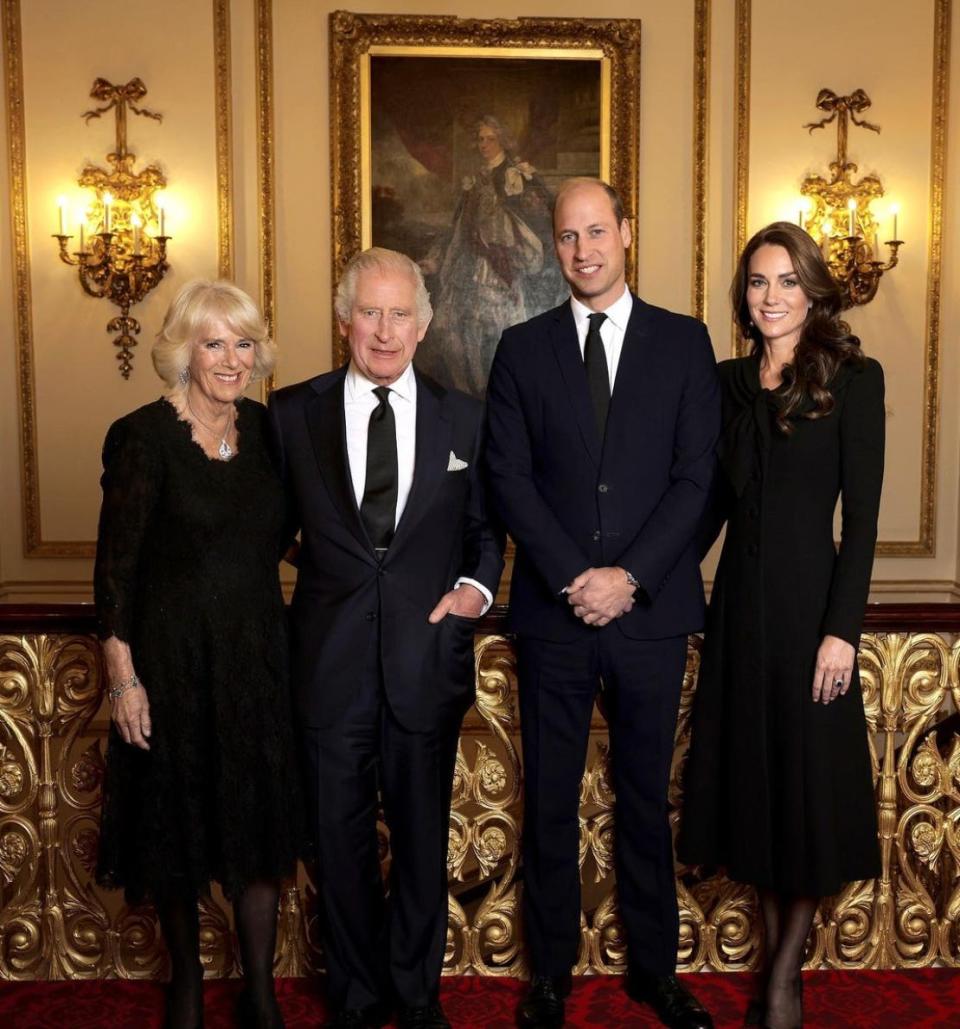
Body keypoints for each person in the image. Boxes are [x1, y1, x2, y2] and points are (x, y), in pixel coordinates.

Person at [484, 178, 719, 1029]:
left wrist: (630, 577)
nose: (583, 249)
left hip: (650, 616)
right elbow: (507, 477)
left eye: (596, 231)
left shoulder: (685, 343)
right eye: (566, 236)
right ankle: (550, 973)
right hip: (554, 616)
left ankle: (655, 970)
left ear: (626, 230)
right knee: (546, 797)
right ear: (554, 246)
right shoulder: (521, 348)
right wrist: (570, 577)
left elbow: (697, 478)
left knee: (645, 797)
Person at [267, 247, 503, 1029]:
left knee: (420, 842)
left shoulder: (463, 415)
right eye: (369, 311)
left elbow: (485, 533)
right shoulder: (291, 413)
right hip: (327, 668)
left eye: (400, 313)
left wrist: (474, 589)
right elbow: (264, 529)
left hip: (423, 664)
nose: (384, 329)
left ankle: (415, 993)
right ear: (344, 321)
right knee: (338, 851)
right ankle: (359, 998)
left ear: (424, 325)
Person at [677, 222, 884, 1028]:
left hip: (810, 618)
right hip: (739, 614)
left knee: (804, 795)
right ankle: (776, 968)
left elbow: (861, 523)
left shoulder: (853, 378)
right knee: (757, 796)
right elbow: (708, 506)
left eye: (786, 282)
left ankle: (783, 977)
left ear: (813, 290)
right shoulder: (727, 383)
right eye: (758, 283)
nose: (770, 297)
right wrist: (638, 579)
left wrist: (842, 631)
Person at [94, 280, 302, 1029]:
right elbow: (113, 570)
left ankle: (261, 995)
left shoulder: (269, 433)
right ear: (183, 349)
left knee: (256, 833)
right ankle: (185, 985)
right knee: (176, 833)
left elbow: (278, 537)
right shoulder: (142, 437)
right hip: (170, 667)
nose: (231, 358)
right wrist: (124, 681)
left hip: (255, 664)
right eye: (213, 342)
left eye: (243, 343)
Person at [418, 115, 567, 396]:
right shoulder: (473, 181)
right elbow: (458, 225)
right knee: (460, 331)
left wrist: (509, 240)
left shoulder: (518, 175)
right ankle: (471, 396)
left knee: (502, 330)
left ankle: (504, 392)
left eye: (490, 139)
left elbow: (543, 219)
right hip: (470, 264)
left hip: (506, 266)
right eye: (480, 139)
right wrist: (436, 258)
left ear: (503, 141)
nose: (483, 144)